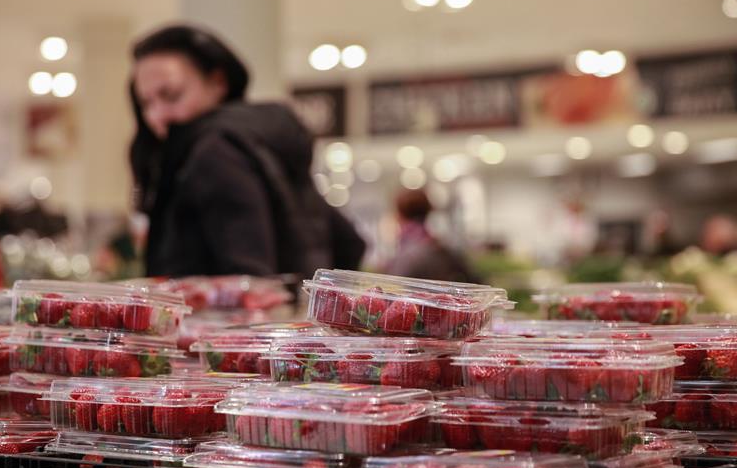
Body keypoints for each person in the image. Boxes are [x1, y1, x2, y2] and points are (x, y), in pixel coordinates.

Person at [129, 25, 365, 278]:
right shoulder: (255, 143)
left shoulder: (215, 151)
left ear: (218, 82)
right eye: (146, 103)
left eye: (172, 95)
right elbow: (349, 243)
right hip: (290, 303)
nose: (157, 115)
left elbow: (248, 279)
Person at [384, 189, 478, 283]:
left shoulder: (406, 255)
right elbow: (473, 281)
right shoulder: (443, 248)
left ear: (399, 215)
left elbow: (394, 286)